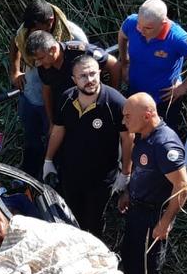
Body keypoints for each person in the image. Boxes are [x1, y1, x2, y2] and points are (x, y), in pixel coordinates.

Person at [41, 54, 133, 238]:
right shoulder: (66, 98)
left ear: (100, 73)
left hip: (101, 178)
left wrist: (126, 172)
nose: (89, 79)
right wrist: (48, 160)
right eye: (83, 76)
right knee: (72, 218)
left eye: (93, 74)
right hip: (71, 173)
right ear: (74, 79)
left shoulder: (115, 103)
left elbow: (128, 138)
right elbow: (58, 130)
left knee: (95, 221)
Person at [118, 93, 187, 274]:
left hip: (153, 217)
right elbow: (141, 170)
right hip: (136, 211)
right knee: (130, 262)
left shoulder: (164, 144)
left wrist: (165, 222)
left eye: (128, 116)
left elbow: (183, 185)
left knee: (147, 272)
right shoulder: (143, 136)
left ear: (147, 115)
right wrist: (128, 192)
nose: (124, 121)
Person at [9, 0, 89, 177]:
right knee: (31, 137)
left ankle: (51, 173)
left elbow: (90, 66)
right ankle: (30, 171)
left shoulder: (73, 37)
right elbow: (16, 41)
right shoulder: (28, 27)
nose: (32, 35)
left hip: (56, 102)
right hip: (30, 95)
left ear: (50, 22)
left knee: (54, 139)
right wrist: (15, 71)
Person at [116, 0, 187, 131]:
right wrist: (124, 63)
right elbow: (122, 36)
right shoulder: (131, 23)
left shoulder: (177, 38)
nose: (141, 30)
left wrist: (184, 87)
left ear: (163, 23)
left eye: (148, 28)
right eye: (139, 25)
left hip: (163, 102)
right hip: (135, 95)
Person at [27, 29, 120, 127]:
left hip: (94, 110)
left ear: (53, 49)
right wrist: (51, 121)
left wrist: (111, 95)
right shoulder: (43, 65)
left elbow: (114, 65)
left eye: (41, 58)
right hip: (66, 114)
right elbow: (47, 90)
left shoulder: (79, 52)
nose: (38, 62)